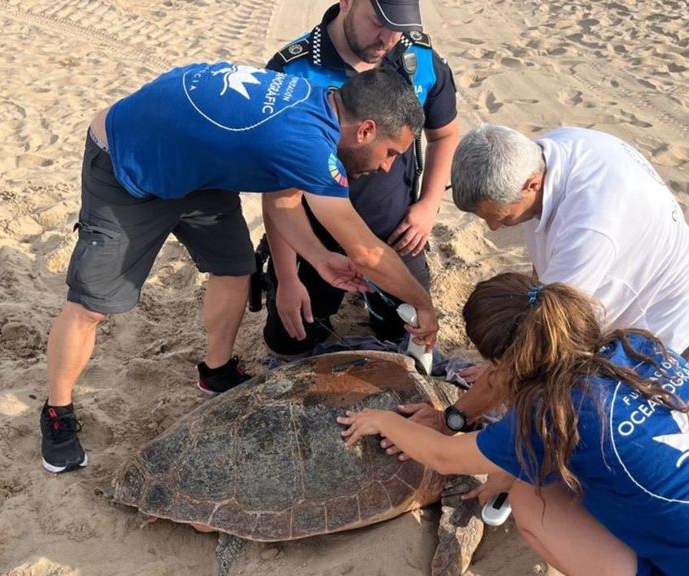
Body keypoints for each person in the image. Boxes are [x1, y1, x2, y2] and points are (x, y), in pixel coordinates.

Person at [40, 63, 439, 473]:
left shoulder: (317, 105)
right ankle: (57, 411)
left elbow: (283, 201)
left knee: (235, 268)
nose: (389, 166)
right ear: (366, 130)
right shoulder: (307, 142)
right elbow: (366, 251)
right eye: (391, 153)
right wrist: (422, 305)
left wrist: (318, 259)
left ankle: (216, 372)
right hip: (126, 163)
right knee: (92, 305)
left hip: (197, 169)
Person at [338, 273, 689, 576]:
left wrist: (380, 418)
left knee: (531, 500)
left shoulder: (550, 414)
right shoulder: (640, 346)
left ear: (506, 363)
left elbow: (445, 456)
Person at [402, 124, 689, 462]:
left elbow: (539, 344)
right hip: (646, 290)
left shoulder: (589, 228)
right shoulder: (549, 151)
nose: (492, 229)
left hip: (677, 307)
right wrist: (494, 379)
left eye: (498, 216)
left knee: (615, 435)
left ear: (531, 183)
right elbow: (546, 287)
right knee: (606, 351)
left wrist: (453, 417)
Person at [260, 0, 458, 355]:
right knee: (289, 342)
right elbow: (277, 191)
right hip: (314, 241)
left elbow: (444, 134)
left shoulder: (418, 59)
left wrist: (428, 206)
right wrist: (287, 278)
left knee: (411, 341)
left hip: (396, 234)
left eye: (398, 26)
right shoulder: (293, 71)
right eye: (378, 22)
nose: (388, 38)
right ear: (347, 2)